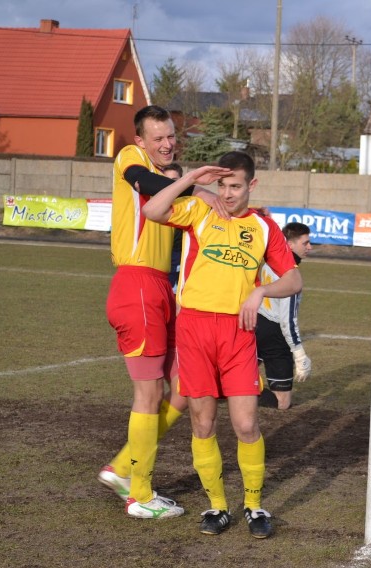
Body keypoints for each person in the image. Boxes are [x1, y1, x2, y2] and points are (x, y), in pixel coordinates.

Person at [142, 150, 302, 539]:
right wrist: (193, 179)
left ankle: (253, 504)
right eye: (222, 185)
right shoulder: (200, 211)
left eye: (235, 186)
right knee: (202, 422)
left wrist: (260, 290)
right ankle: (216, 506)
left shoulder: (264, 228)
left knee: (246, 424)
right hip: (194, 330)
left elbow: (293, 280)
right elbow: (153, 211)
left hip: (238, 334)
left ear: (252, 185)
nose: (227, 194)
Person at [97, 105, 230, 520]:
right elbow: (147, 182)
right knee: (149, 393)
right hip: (136, 285)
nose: (167, 143)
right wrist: (196, 184)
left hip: (160, 290)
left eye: (171, 135)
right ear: (140, 141)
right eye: (157, 138)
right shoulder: (129, 159)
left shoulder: (172, 191)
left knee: (184, 386)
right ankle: (139, 495)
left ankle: (122, 467)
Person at [256, 222, 313, 410]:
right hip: (274, 333)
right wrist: (299, 353)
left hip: (258, 325)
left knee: (239, 370)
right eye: (305, 243)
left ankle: (239, 386)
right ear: (289, 245)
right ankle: (243, 389)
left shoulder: (270, 261)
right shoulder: (289, 273)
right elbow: (287, 319)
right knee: (282, 402)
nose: (309, 247)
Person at [160, 163, 185, 290]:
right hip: (161, 257)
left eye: (174, 181)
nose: (170, 184)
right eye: (166, 180)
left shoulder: (190, 204)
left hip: (180, 257)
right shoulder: (156, 205)